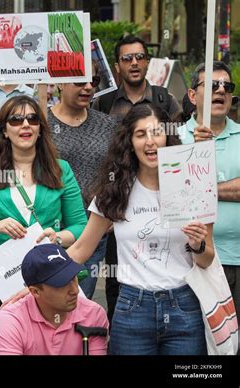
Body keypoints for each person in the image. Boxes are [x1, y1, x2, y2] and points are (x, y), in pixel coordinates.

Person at [67, 104, 214, 355]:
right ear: (129, 142)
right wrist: (32, 282)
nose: (150, 142)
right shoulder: (114, 191)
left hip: (184, 307)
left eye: (156, 132)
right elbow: (81, 249)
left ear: (167, 136)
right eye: (140, 134)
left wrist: (198, 244)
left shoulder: (193, 184)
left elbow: (206, 259)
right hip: (132, 309)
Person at [0, 95, 88, 354]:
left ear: (41, 128)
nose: (25, 125)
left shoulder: (61, 170)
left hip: (49, 287)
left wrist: (58, 237)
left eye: (32, 119)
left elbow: (80, 227)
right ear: (4, 131)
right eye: (16, 120)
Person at [92, 35, 182, 323]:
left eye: (139, 57)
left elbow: (182, 140)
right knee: (118, 283)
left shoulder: (164, 99)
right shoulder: (103, 102)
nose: (134, 63)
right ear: (117, 65)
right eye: (127, 58)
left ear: (147, 62)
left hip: (162, 195)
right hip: (119, 199)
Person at [48, 62, 117, 299]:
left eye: (94, 81)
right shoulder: (41, 125)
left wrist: (111, 212)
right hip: (49, 229)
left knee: (78, 302)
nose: (88, 87)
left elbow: (120, 171)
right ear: (59, 83)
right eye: (80, 81)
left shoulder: (107, 125)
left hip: (92, 231)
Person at [177, 61, 240, 320]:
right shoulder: (175, 139)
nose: (221, 90)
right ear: (193, 95)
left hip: (236, 263)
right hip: (188, 262)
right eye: (213, 85)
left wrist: (200, 188)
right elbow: (172, 194)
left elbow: (187, 190)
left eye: (227, 86)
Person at [0, 243, 108, 355]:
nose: (75, 290)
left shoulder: (94, 314)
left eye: (74, 277)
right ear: (35, 291)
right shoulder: (10, 320)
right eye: (62, 284)